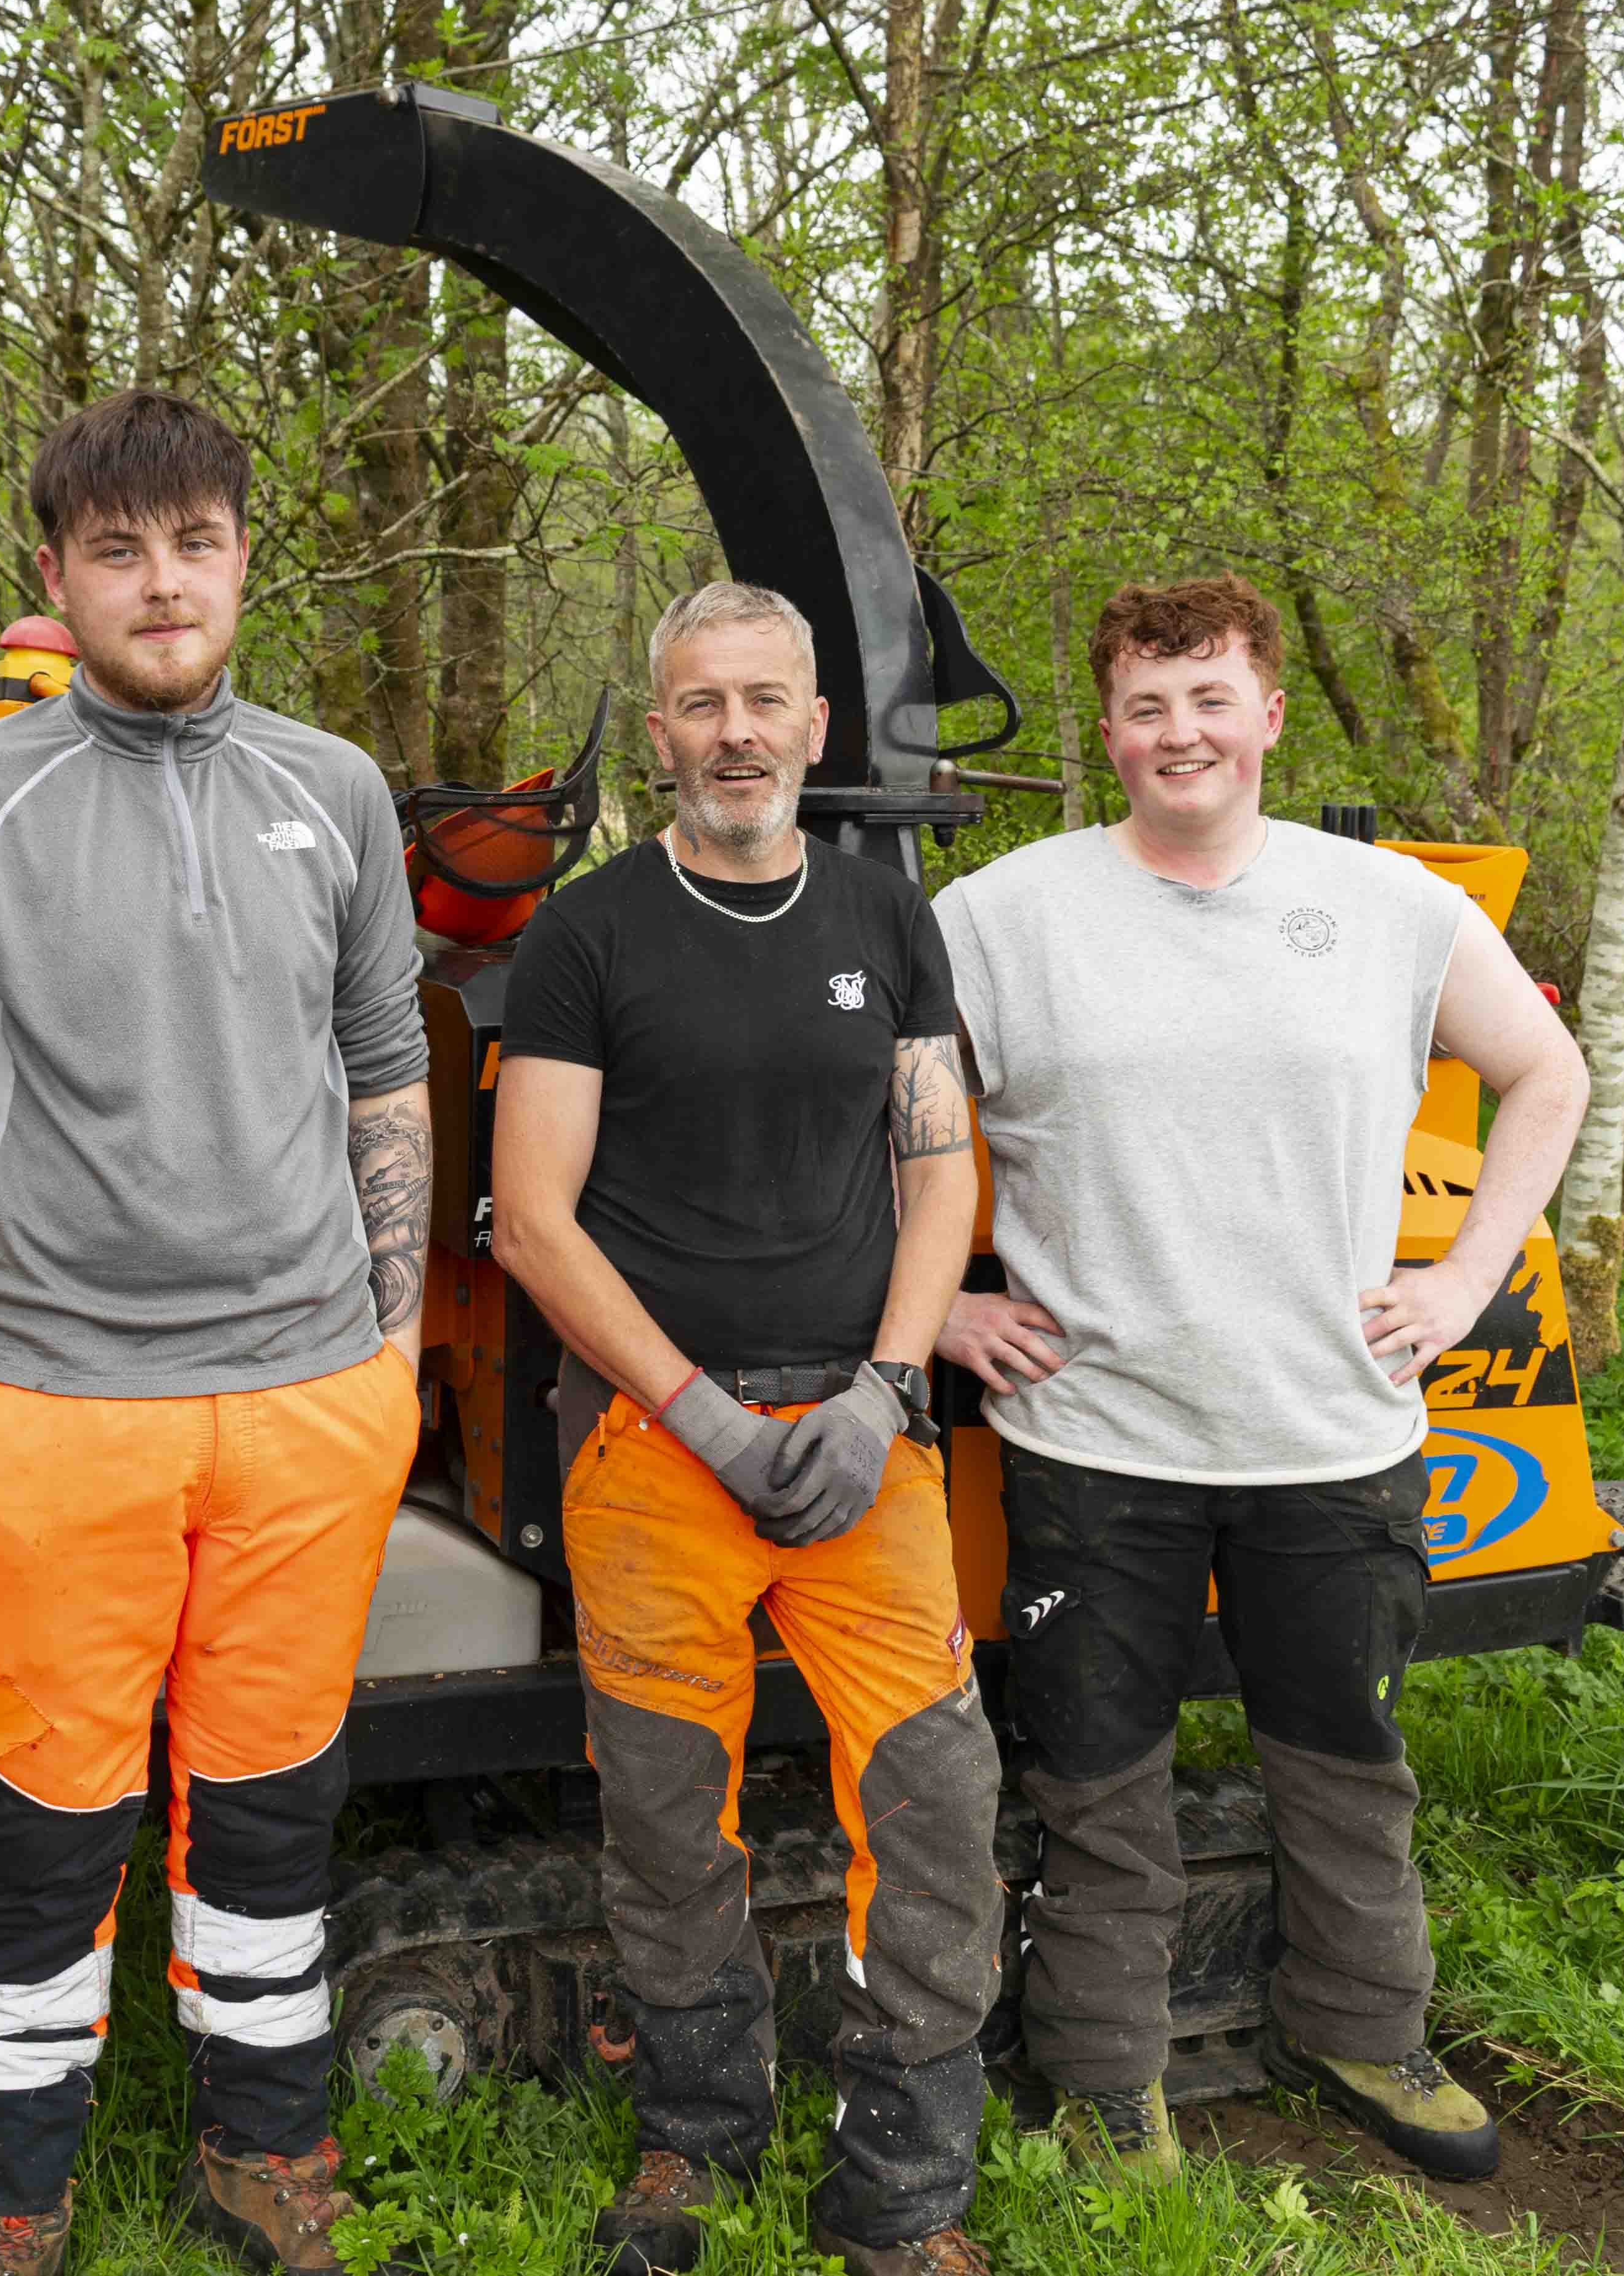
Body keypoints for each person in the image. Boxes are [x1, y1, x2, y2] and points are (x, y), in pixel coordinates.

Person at [0, 388, 431, 2276]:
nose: (159, 582)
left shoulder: (334, 787)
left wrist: (392, 1356)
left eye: (192, 541)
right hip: (54, 1409)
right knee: (40, 1816)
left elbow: (385, 1074)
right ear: (57, 577)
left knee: (269, 1807)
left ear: (244, 556)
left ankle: (264, 2157)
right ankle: (1, 2202)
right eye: (117, 549)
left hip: (307, 1406)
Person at [932, 573, 1589, 2185]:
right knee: (1094, 1777)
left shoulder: (1387, 906)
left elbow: (1544, 1072)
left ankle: (1362, 2020)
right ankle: (1101, 2073)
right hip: (1093, 1432)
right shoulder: (1002, 915)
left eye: (1209, 697)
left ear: (1268, 713)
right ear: (1108, 725)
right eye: (1148, 704)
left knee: (1346, 1758)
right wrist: (941, 1306)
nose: (1180, 732)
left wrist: (1462, 1277)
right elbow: (884, 1121)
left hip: (1327, 1430)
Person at [489, 581, 1001, 2276]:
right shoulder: (585, 934)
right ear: (659, 734)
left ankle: (902, 2194)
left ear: (812, 728)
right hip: (651, 1446)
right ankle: (693, 2141)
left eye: (762, 701)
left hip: (866, 1443)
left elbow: (938, 1167)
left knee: (932, 1795)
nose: (733, 733)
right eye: (699, 704)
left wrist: (884, 1386)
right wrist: (697, 1410)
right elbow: (534, 1215)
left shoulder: (879, 918)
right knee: (658, 1808)